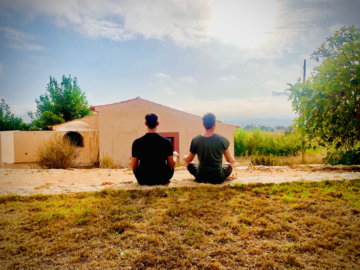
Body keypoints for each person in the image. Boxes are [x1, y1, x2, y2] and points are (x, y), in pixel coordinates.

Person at [183, 112, 235, 184]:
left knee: (185, 161)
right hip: (218, 177)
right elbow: (229, 160)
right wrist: (232, 160)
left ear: (203, 124)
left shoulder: (196, 140)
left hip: (201, 177)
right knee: (232, 162)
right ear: (214, 124)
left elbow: (189, 159)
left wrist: (184, 157)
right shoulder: (222, 139)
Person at [129, 112, 179, 186]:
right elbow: (171, 165)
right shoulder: (167, 142)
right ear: (157, 124)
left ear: (145, 123)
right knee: (175, 154)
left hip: (143, 179)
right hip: (163, 178)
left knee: (131, 157)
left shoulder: (137, 142)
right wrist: (175, 157)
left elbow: (134, 166)